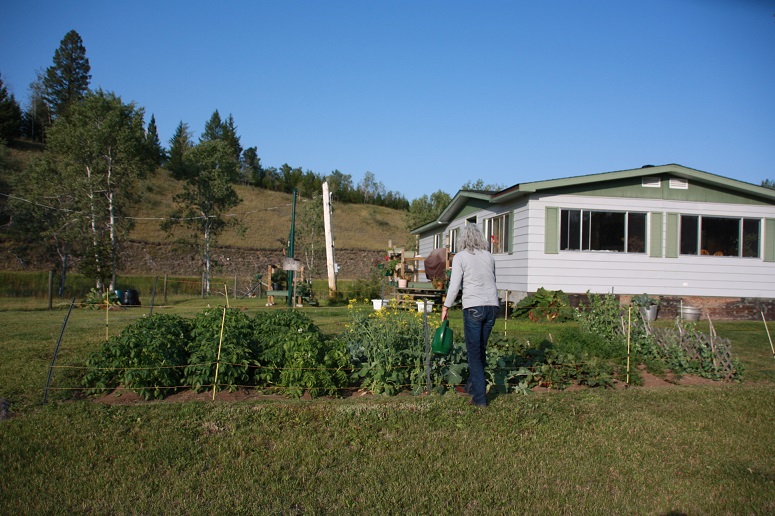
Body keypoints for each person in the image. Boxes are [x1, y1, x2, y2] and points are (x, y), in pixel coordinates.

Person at [441, 223, 499, 407]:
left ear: (462, 239)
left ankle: (480, 399)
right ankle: (472, 386)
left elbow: (455, 285)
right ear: (479, 237)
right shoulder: (489, 256)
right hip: (492, 306)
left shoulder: (460, 257)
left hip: (474, 307)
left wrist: (446, 306)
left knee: (474, 353)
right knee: (480, 349)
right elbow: (493, 279)